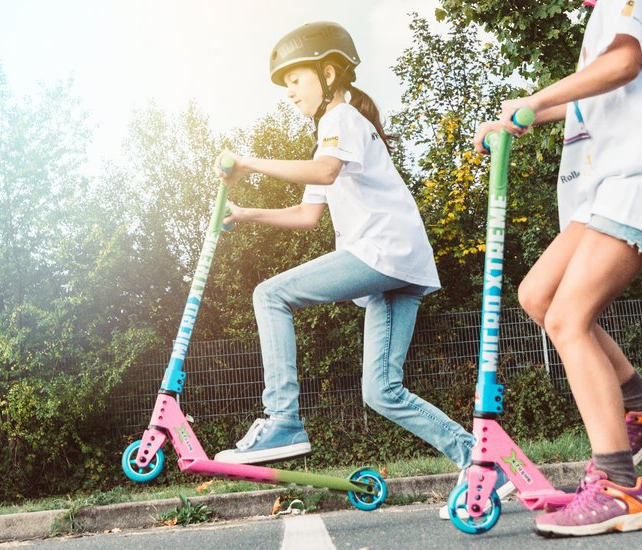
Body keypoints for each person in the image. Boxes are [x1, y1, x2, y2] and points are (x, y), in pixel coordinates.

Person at [212, 21, 513, 510]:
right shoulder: (329, 137)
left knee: (270, 294)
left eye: (296, 81)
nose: (290, 94)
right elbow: (308, 216)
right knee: (381, 391)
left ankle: (282, 419)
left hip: (383, 254)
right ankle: (481, 463)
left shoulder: (342, 118)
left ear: (329, 74)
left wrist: (248, 162)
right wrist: (246, 214)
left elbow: (326, 171)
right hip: (399, 266)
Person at [471, 0, 642, 537]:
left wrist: (536, 97)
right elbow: (599, 95)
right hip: (606, 190)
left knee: (568, 319)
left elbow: (623, 63)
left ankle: (621, 486)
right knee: (538, 296)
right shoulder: (601, 16)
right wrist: (522, 118)